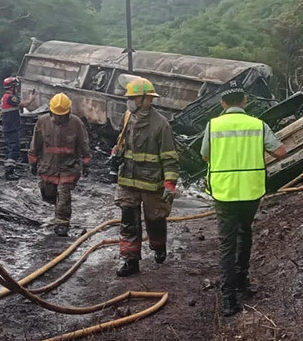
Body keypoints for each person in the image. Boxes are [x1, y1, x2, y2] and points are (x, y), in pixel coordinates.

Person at [200, 82, 287, 316]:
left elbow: (205, 155)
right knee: (245, 232)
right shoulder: (258, 125)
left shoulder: (213, 125)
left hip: (224, 191)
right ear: (245, 101)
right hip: (251, 191)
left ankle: (229, 299)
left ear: (223, 103)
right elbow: (281, 152)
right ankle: (242, 281)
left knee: (227, 243)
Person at [114, 77, 179, 277]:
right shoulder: (127, 117)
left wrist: (170, 184)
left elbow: (169, 157)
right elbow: (122, 143)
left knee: (155, 220)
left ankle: (159, 246)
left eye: (133, 98)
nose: (129, 102)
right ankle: (130, 260)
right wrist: (116, 152)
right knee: (128, 221)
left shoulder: (161, 125)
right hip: (128, 180)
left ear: (146, 99)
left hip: (152, 184)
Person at [28, 93, 91, 236]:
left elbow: (83, 143)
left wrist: (86, 162)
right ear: (51, 112)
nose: (59, 118)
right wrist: (33, 162)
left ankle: (62, 223)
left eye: (62, 116)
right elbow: (35, 143)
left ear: (68, 113)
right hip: (48, 166)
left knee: (63, 194)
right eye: (57, 115)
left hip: (68, 167)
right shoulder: (42, 122)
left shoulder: (76, 123)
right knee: (48, 194)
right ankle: (58, 211)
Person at [0, 76, 36, 180]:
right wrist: (31, 98)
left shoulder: (6, 97)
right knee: (14, 148)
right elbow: (24, 104)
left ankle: (9, 170)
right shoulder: (10, 97)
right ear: (11, 87)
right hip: (11, 127)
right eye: (15, 86)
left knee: (10, 148)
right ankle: (9, 172)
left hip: (9, 127)